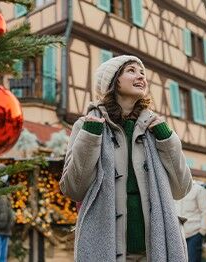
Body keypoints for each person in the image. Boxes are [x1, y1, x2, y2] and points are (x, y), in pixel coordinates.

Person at [60, 55, 193, 261]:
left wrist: (167, 139)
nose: (140, 76)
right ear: (113, 81)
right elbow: (73, 188)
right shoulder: (87, 125)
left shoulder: (155, 128)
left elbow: (181, 188)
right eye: (131, 70)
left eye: (142, 73)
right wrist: (91, 135)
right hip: (106, 248)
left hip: (156, 249)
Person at [176, 182, 206, 262]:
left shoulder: (199, 190)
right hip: (177, 235)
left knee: (193, 260)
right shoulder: (175, 189)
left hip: (194, 234)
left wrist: (202, 232)